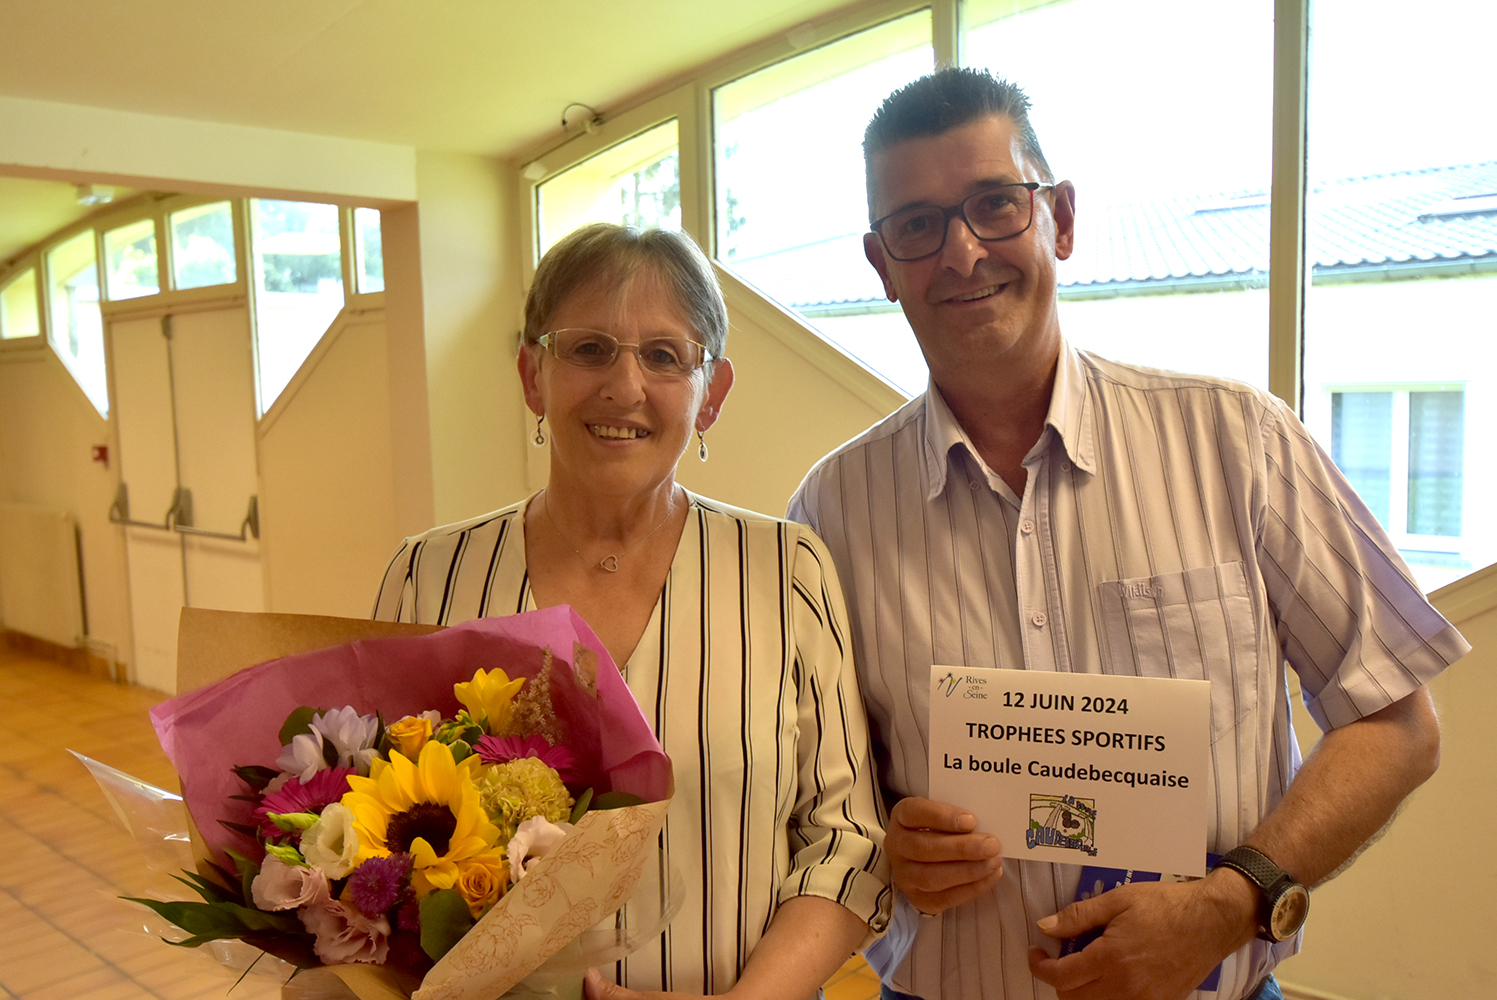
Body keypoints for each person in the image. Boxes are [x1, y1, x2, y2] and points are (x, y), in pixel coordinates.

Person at [788, 67, 1468, 1000]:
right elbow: (822, 789)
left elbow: (1395, 722)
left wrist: (1233, 901)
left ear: (1059, 218)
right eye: (916, 225)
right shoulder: (829, 511)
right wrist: (883, 845)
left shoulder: (1237, 440)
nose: (961, 253)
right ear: (881, 263)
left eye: (995, 204)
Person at [373, 223, 891, 999]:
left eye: (664, 356)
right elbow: (377, 842)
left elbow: (847, 843)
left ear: (712, 394)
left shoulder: (786, 571)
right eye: (587, 349)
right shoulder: (429, 577)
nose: (624, 386)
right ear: (531, 376)